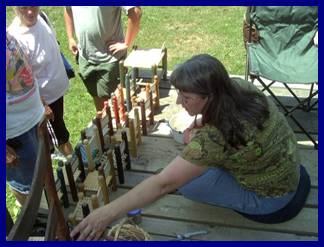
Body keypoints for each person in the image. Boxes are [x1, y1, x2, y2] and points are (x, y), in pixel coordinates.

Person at [70, 54, 309, 240]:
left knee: (189, 185)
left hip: (273, 201)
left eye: (186, 97)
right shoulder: (240, 88)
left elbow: (164, 183)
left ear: (210, 97)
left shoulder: (213, 140)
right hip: (292, 172)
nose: (178, 102)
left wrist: (105, 214)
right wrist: (200, 121)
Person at [8, 6, 73, 157]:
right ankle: (72, 167)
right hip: (45, 101)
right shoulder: (15, 37)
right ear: (14, 8)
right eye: (24, 7)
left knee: (57, 131)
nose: (30, 12)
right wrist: (42, 104)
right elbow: (21, 79)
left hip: (56, 94)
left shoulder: (42, 17)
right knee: (60, 137)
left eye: (33, 5)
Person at [64, 6, 142, 111]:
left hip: (109, 59)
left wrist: (126, 43)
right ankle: (105, 123)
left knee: (115, 106)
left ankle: (114, 125)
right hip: (85, 57)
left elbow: (135, 12)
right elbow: (68, 8)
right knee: (97, 98)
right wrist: (70, 38)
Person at [6, 31, 45, 205]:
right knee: (28, 185)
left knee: (42, 174)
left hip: (32, 119)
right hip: (14, 134)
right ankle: (36, 221)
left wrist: (36, 99)